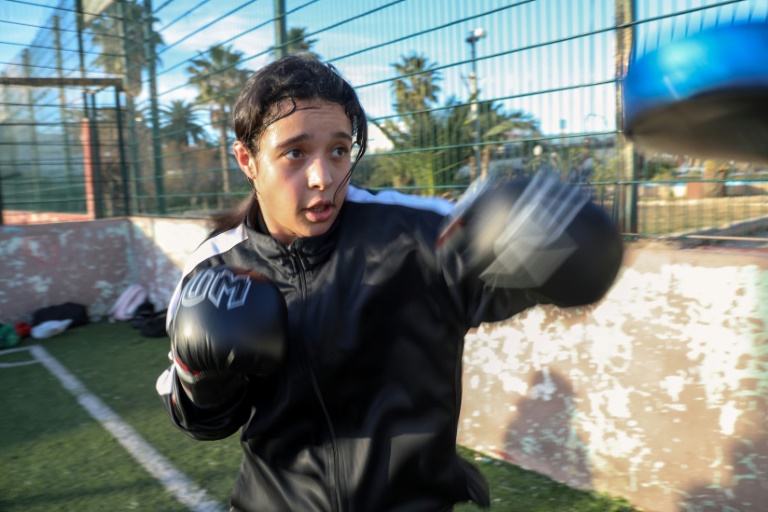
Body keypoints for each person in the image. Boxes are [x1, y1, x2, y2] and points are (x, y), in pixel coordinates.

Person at [156, 54, 624, 512]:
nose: (323, 177)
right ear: (247, 159)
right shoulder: (214, 271)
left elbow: (512, 277)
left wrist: (560, 248)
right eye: (295, 153)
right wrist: (203, 375)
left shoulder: (420, 236)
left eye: (339, 151)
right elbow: (204, 422)